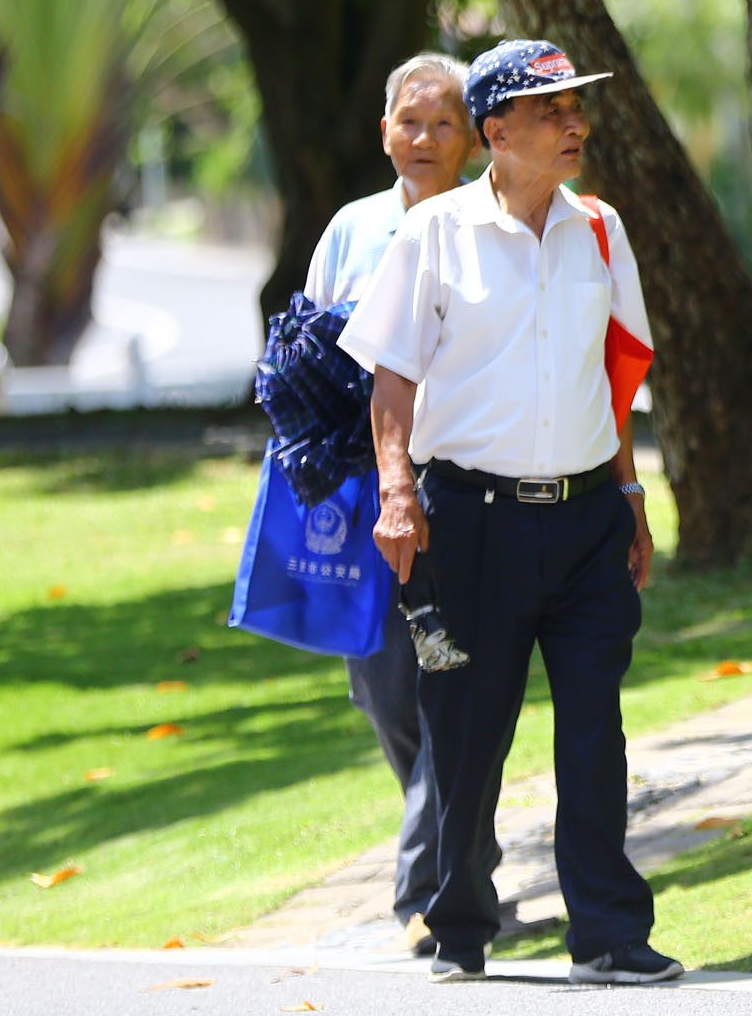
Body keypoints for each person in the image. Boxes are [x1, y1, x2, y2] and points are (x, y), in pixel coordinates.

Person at [340, 38, 671, 987]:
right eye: (552, 108)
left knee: (593, 726)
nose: (577, 123)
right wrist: (397, 491)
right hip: (468, 519)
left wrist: (631, 493)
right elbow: (392, 376)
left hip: (584, 520)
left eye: (576, 107)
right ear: (496, 131)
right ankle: (461, 924)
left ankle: (609, 930)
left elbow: (611, 379)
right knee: (469, 729)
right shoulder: (433, 233)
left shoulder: (601, 229)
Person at [300, 52, 498, 956]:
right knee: (382, 688)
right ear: (385, 130)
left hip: (460, 491)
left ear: (472, 138)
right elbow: (298, 360)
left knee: (448, 677)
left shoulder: (487, 226)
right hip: (364, 490)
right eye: (408, 121)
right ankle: (468, 853)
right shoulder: (348, 230)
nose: (423, 138)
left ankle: (427, 888)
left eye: (442, 123)